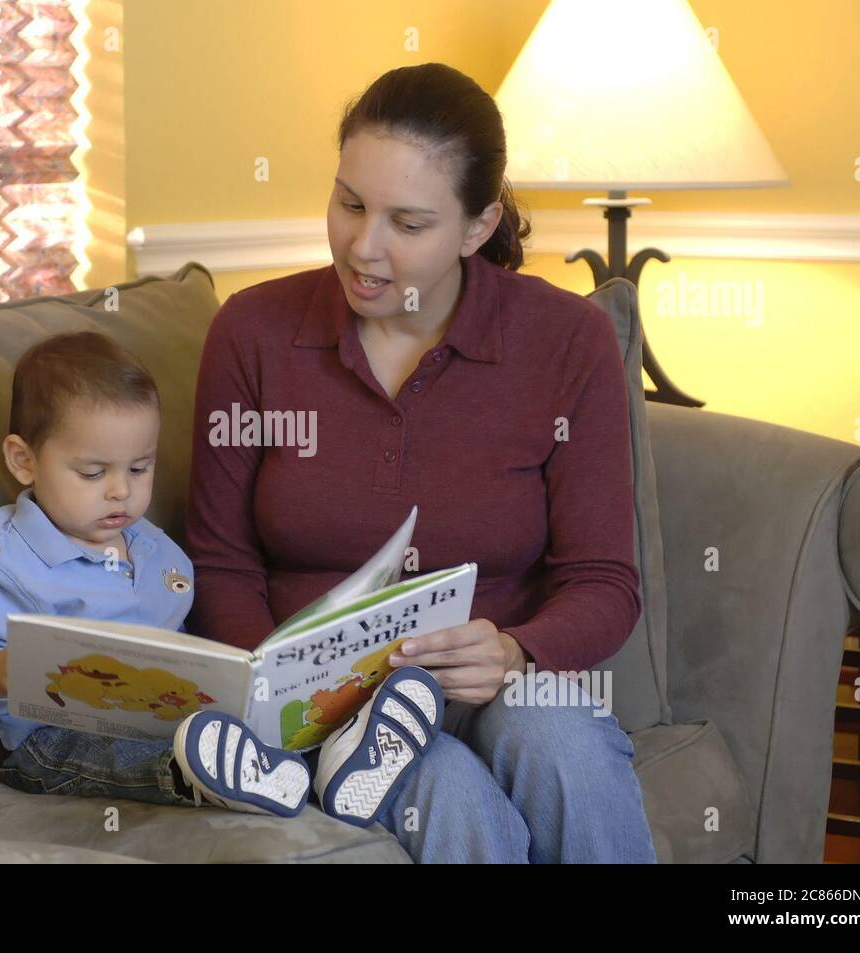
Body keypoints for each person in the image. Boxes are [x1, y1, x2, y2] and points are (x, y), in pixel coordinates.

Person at [185, 63, 658, 863]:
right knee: (448, 789)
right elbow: (220, 565)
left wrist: (515, 651)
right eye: (349, 204)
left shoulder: (565, 340)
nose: (364, 247)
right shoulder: (252, 333)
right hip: (334, 709)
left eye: (407, 223)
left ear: (478, 226)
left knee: (566, 749)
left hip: (497, 681)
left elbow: (605, 580)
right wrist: (288, 701)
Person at [0, 329, 454, 837]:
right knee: (157, 753)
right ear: (23, 460)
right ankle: (211, 777)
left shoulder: (154, 547)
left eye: (140, 468)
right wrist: (8, 669)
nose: (121, 492)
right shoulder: (2, 553)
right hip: (54, 742)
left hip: (175, 720)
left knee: (235, 726)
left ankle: (338, 756)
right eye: (93, 473)